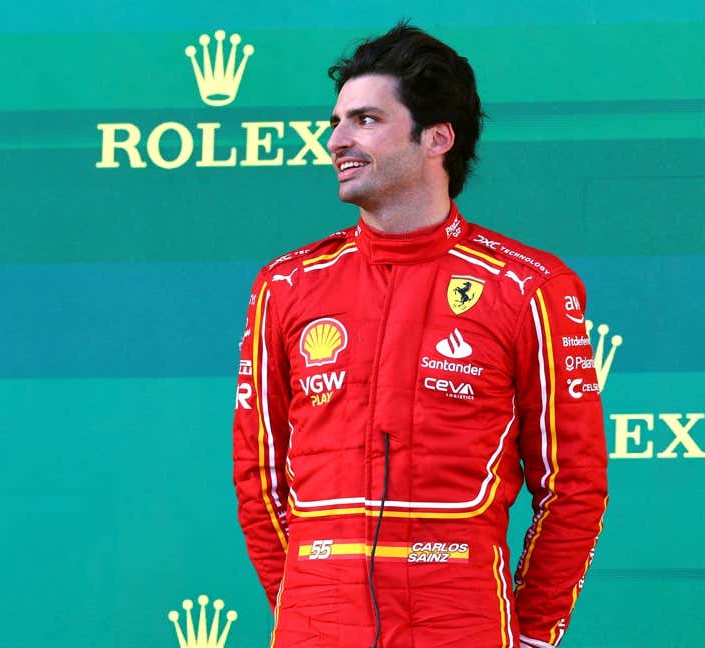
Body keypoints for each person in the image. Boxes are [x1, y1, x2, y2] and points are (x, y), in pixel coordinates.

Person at [232, 23, 607, 648]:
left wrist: (535, 635)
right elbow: (258, 473)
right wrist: (308, 601)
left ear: (437, 138)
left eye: (367, 120)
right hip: (317, 626)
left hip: (461, 625)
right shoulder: (287, 284)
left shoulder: (529, 285)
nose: (337, 140)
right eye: (336, 121)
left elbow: (573, 485)